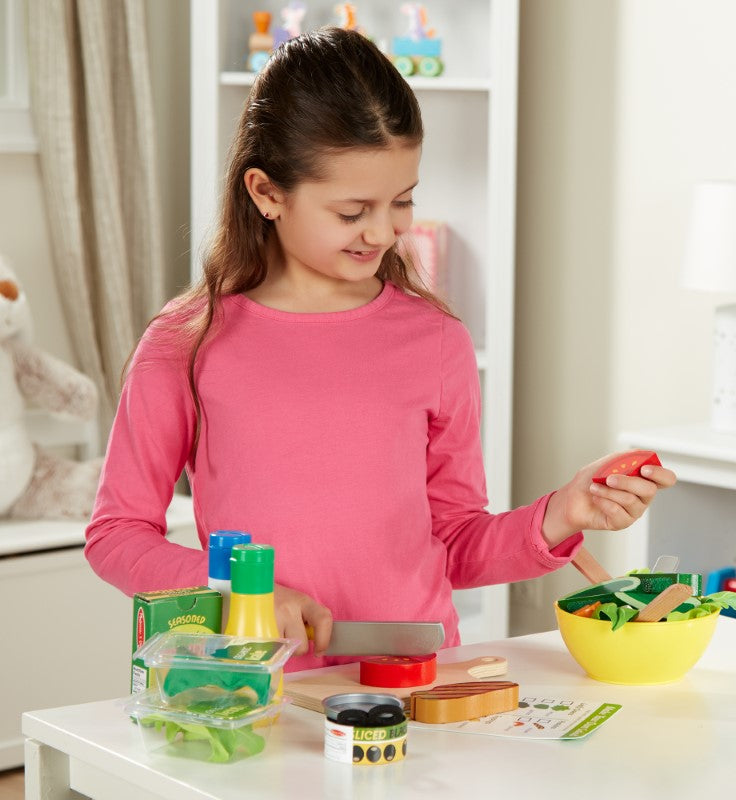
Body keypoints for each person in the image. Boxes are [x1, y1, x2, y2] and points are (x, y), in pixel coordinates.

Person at [85, 27, 676, 673]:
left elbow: (454, 543)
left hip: (413, 684)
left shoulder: (435, 340)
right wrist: (235, 593)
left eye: (402, 201)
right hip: (258, 687)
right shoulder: (187, 341)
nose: (384, 230)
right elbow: (117, 535)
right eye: (351, 210)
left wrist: (563, 513)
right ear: (267, 193)